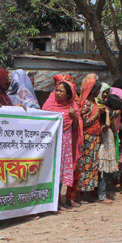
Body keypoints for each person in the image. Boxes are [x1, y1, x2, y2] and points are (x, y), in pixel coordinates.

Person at [42, 76, 82, 209]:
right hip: (51, 142)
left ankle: (58, 199)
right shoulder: (49, 103)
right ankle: (52, 200)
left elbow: (77, 126)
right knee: (51, 170)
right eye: (57, 90)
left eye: (61, 91)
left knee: (61, 170)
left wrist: (74, 116)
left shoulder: (73, 106)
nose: (57, 93)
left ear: (68, 94)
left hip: (65, 142)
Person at [75, 74, 102, 200]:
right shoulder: (86, 104)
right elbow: (85, 122)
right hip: (87, 137)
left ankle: (89, 190)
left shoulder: (94, 102)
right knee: (85, 165)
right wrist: (98, 115)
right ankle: (81, 192)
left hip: (95, 137)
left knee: (92, 165)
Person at [97, 92, 120, 201]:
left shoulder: (111, 129)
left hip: (109, 149)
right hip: (105, 150)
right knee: (102, 175)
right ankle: (101, 196)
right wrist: (107, 113)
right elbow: (106, 124)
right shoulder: (104, 128)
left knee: (107, 175)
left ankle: (105, 193)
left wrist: (114, 117)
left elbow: (114, 128)